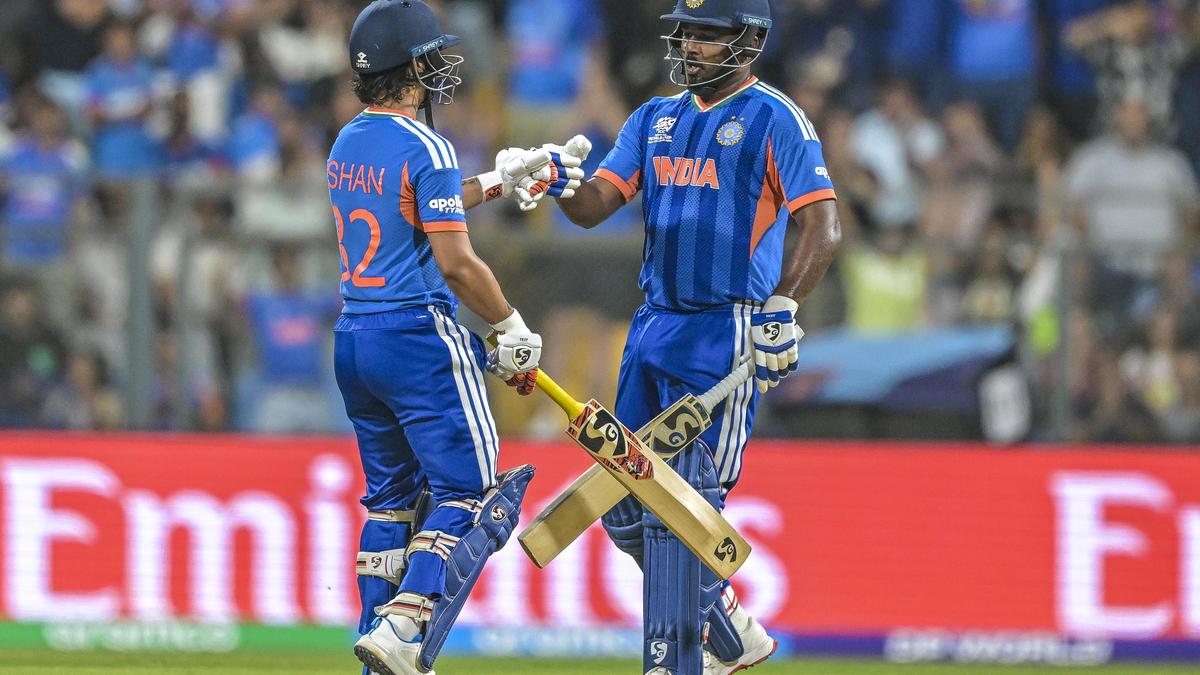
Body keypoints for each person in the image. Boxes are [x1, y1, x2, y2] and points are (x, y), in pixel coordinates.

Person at [542, 1, 843, 673]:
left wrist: (782, 306)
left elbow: (822, 226)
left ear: (750, 40)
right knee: (622, 502)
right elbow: (595, 205)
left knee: (685, 507)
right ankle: (730, 627)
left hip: (725, 332)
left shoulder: (776, 118)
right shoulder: (655, 117)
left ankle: (671, 662)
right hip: (653, 328)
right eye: (686, 31)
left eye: (707, 34)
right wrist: (560, 183)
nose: (689, 45)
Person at [327, 2, 582, 674]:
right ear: (411, 67)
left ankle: (374, 632)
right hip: (418, 336)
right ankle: (408, 622)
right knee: (468, 495)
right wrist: (509, 324)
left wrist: (501, 178)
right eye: (432, 58)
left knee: (388, 503)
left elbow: (415, 202)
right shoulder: (427, 145)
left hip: (355, 337)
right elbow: (456, 263)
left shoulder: (347, 139)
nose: (441, 69)